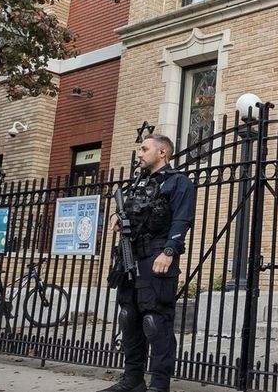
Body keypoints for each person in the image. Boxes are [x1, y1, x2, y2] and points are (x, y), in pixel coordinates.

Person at [100, 134, 195, 392]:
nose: (139, 154)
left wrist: (169, 251)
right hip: (130, 257)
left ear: (162, 152)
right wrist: (116, 217)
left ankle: (159, 384)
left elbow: (182, 220)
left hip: (157, 256)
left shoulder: (178, 182)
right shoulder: (137, 183)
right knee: (128, 317)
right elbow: (130, 211)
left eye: (144, 149)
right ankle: (133, 380)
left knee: (155, 321)